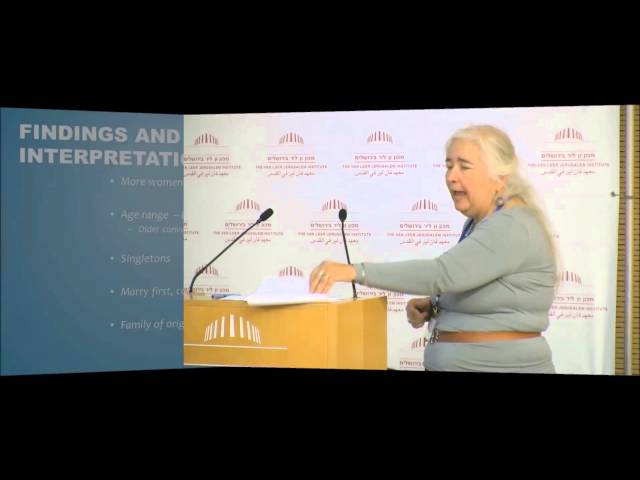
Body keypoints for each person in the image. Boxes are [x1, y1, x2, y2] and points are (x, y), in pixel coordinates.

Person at [309, 125, 558, 373]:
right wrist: (436, 305)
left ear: (500, 178)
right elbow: (473, 282)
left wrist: (355, 271)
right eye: (449, 166)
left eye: (464, 167)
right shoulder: (482, 222)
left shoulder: (511, 225)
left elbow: (442, 274)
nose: (451, 177)